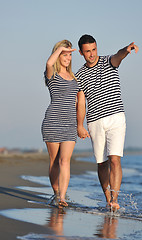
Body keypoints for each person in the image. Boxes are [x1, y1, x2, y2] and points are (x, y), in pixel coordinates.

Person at [76, 34, 138, 210]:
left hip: (116, 117)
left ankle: (114, 200)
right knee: (102, 163)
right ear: (81, 52)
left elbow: (118, 56)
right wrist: (79, 125)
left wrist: (126, 49)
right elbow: (81, 103)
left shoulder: (108, 61)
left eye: (94, 49)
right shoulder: (79, 75)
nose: (92, 54)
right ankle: (108, 198)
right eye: (88, 51)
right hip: (95, 121)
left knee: (115, 159)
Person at [41, 40, 78, 207]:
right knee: (55, 161)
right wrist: (61, 48)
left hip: (70, 124)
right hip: (52, 122)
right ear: (58, 54)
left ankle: (62, 197)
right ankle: (56, 193)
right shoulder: (51, 75)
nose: (68, 57)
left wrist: (80, 124)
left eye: (70, 54)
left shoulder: (74, 78)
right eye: (65, 54)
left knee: (65, 161)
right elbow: (49, 62)